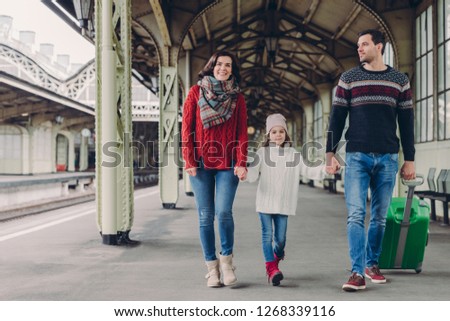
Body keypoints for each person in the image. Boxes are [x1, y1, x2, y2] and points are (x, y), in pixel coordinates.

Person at [325, 29, 416, 292]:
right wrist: (330, 153)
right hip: (357, 156)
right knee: (356, 215)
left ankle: (371, 264)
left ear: (379, 46)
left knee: (378, 218)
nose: (359, 49)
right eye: (358, 46)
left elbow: (407, 122)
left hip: (388, 157)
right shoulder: (349, 78)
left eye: (364, 44)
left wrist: (409, 159)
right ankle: (356, 272)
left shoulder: (399, 80)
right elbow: (336, 118)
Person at [181, 51, 248, 288]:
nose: (223, 68)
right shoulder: (195, 93)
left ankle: (227, 262)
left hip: (228, 164)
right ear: (211, 66)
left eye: (228, 65)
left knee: (223, 213)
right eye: (219, 64)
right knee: (205, 216)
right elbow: (186, 128)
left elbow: (241, 132)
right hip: (200, 164)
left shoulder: (237, 98)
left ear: (232, 70)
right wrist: (188, 159)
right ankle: (212, 269)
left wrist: (241, 161)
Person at [246, 113, 325, 286]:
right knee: (267, 235)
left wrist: (326, 169)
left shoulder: (293, 155)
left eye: (281, 131)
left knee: (280, 240)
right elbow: (252, 174)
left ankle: (276, 256)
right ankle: (271, 269)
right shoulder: (262, 153)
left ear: (286, 133)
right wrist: (243, 173)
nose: (278, 135)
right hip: (265, 201)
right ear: (268, 135)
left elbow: (308, 170)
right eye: (274, 132)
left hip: (284, 203)